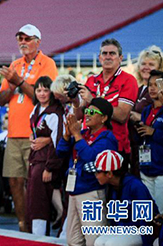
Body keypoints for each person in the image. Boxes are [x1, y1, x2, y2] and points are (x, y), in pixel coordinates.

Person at [0, 24, 58, 231]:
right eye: (20, 38)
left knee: (35, 184)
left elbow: (44, 96)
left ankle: (36, 225)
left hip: (36, 134)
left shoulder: (47, 64)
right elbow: (1, 99)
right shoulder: (15, 64)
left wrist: (19, 81)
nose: (22, 42)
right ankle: (23, 224)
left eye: (27, 38)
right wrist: (12, 85)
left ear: (38, 42)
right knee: (14, 180)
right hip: (14, 132)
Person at [57, 98, 118, 246]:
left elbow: (92, 158)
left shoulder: (107, 137)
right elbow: (60, 152)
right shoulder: (84, 133)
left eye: (92, 112)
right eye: (87, 111)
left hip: (91, 192)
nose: (87, 115)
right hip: (74, 190)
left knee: (94, 240)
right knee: (73, 240)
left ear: (104, 118)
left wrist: (77, 135)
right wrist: (66, 135)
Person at [78, 38, 138, 162]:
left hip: (115, 146)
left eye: (112, 53)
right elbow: (80, 114)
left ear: (120, 58)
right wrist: (74, 102)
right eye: (104, 53)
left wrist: (93, 100)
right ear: (100, 58)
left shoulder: (128, 80)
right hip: (90, 142)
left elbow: (122, 115)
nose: (108, 57)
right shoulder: (92, 80)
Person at [93, 150, 157, 246]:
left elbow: (145, 220)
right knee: (98, 242)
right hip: (124, 229)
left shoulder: (135, 186)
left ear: (109, 174)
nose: (96, 176)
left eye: (98, 172)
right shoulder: (110, 187)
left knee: (112, 244)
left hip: (140, 230)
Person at [26, 76, 64, 236]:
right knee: (33, 200)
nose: (42, 94)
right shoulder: (35, 110)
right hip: (35, 160)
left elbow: (58, 142)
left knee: (40, 202)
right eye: (38, 90)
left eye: (46, 90)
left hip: (45, 163)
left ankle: (39, 236)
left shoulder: (55, 113)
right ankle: (34, 233)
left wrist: (50, 167)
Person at [129, 46, 163, 177]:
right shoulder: (138, 89)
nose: (146, 67)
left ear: (160, 67)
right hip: (139, 149)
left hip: (160, 155)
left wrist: (138, 117)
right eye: (143, 63)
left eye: (151, 64)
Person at [134, 70, 163, 216]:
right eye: (150, 85)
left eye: (157, 84)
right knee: (148, 215)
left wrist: (154, 132)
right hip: (146, 167)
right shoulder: (147, 110)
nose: (152, 88)